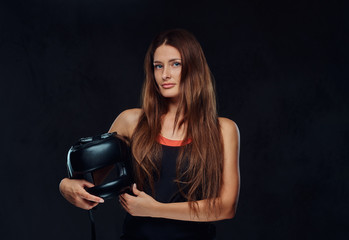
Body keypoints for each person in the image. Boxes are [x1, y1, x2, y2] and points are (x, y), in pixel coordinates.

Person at [59, 29, 240, 239]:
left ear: (194, 67)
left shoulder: (223, 130)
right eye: (158, 66)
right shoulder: (131, 121)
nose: (165, 74)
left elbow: (226, 207)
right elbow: (89, 185)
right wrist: (65, 186)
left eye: (175, 64)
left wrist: (154, 209)